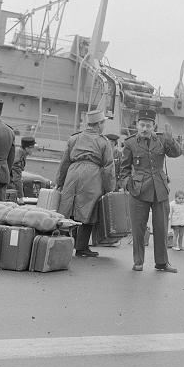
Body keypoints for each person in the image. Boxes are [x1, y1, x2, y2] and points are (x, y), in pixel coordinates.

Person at [119, 109, 182, 273]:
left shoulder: (162, 139)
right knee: (138, 228)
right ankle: (138, 261)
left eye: (148, 125)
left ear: (154, 126)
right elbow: (123, 170)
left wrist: (171, 141)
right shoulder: (130, 143)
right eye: (142, 125)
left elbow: (177, 153)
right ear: (137, 125)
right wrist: (128, 184)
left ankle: (162, 263)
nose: (145, 129)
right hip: (138, 190)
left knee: (161, 227)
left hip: (159, 189)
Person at [55, 109, 116, 257]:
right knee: (89, 208)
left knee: (69, 208)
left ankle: (64, 243)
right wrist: (110, 188)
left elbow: (65, 162)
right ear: (100, 124)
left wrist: (60, 182)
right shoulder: (103, 141)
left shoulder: (74, 138)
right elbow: (108, 166)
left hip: (73, 172)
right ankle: (81, 247)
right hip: (92, 174)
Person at [9, 137, 36, 205]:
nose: (34, 150)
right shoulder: (18, 158)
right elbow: (17, 179)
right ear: (27, 148)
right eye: (32, 148)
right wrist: (21, 197)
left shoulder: (19, 151)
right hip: (8, 185)